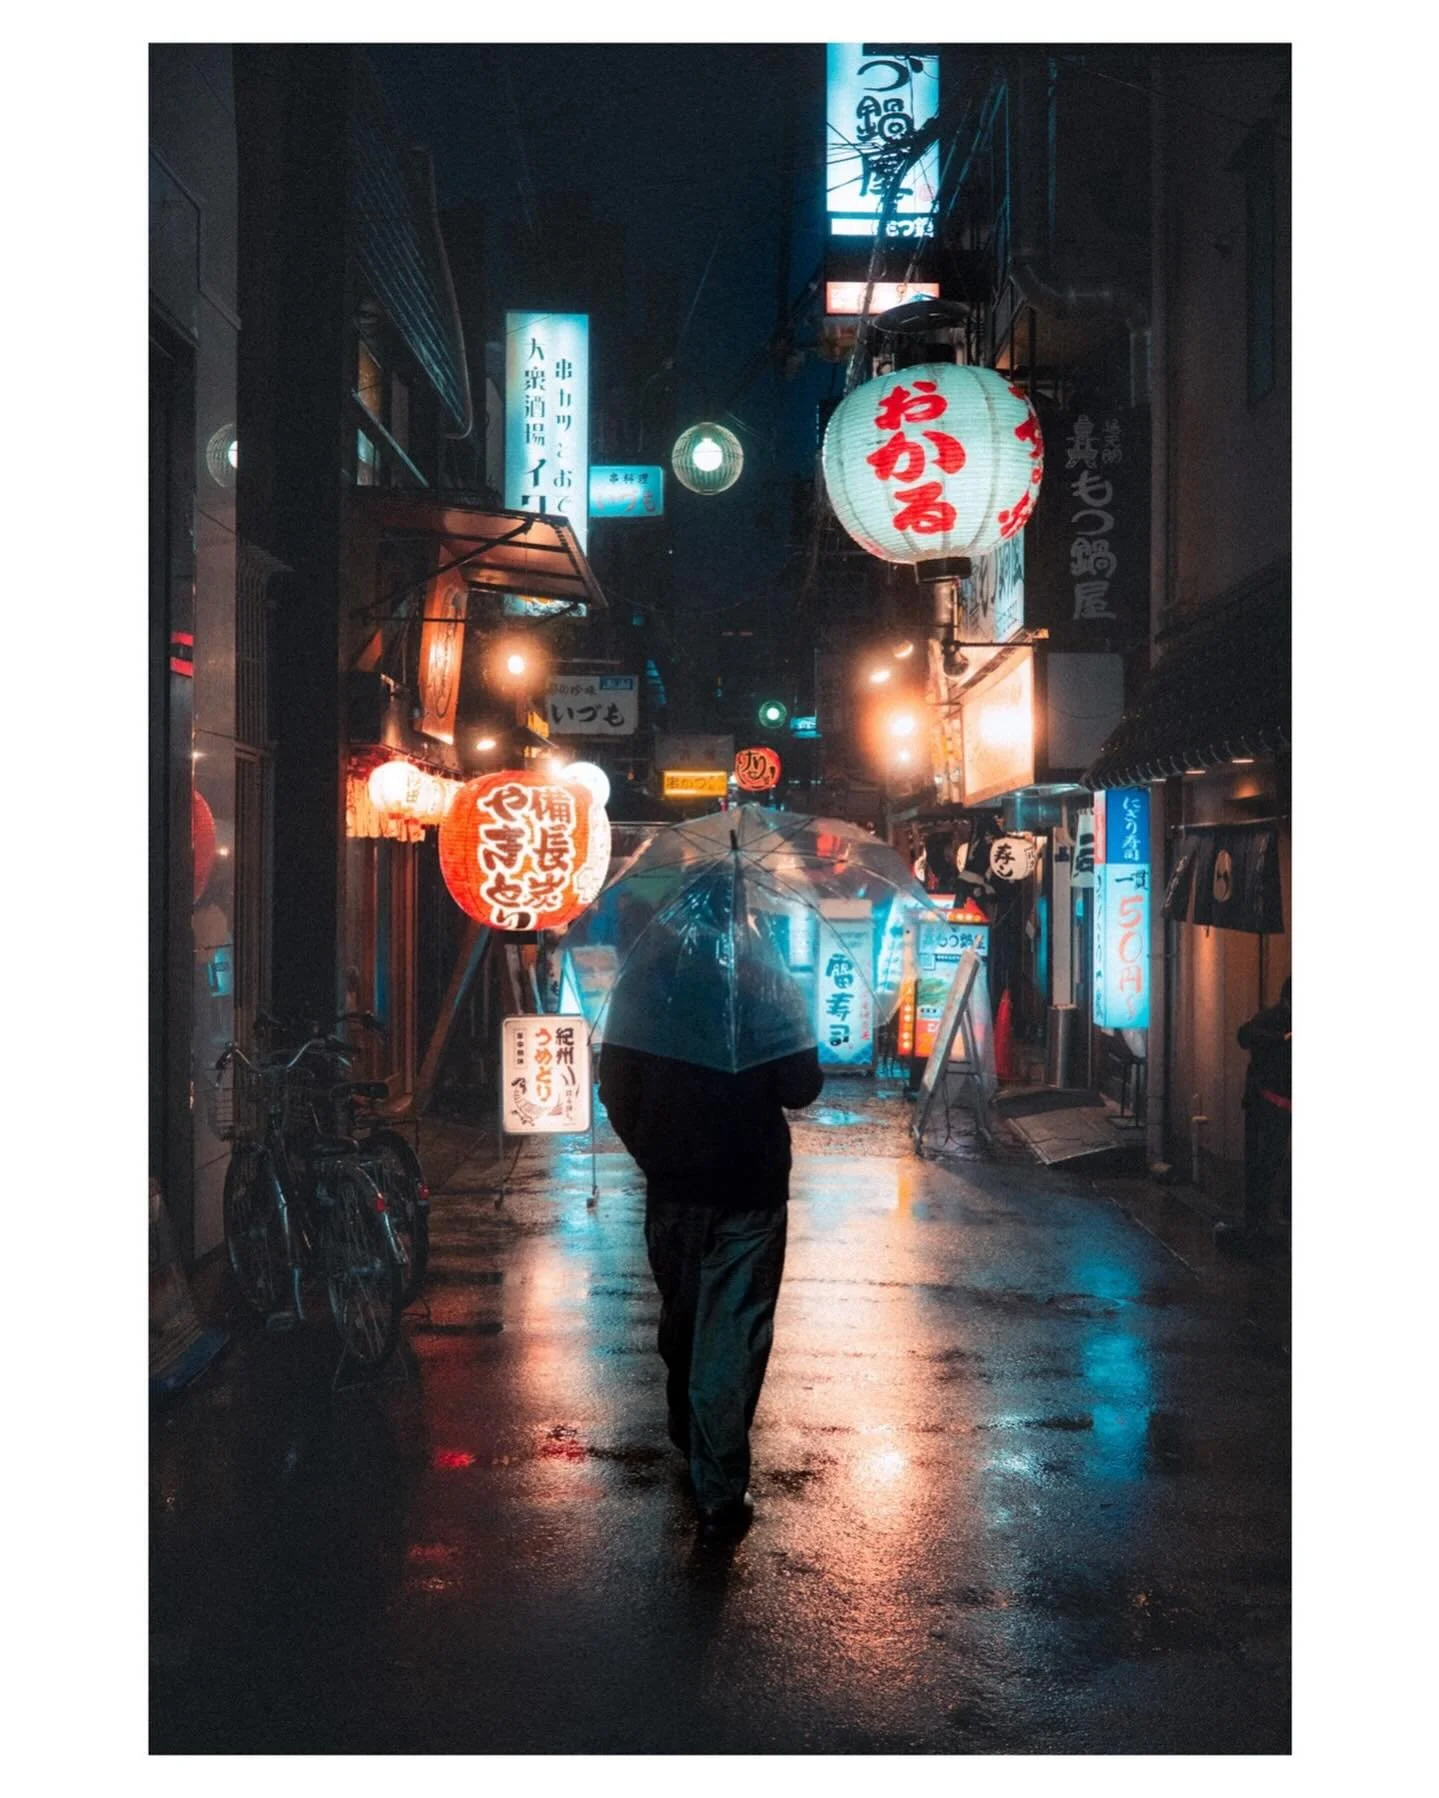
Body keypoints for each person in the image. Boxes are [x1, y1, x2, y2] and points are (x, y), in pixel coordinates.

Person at [598, 1036, 823, 1545]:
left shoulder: (649, 983)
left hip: (675, 1188)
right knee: (733, 1331)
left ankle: (696, 1439)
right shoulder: (763, 982)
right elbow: (801, 1086)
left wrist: (652, 1150)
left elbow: (614, 1083)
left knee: (684, 1315)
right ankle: (718, 1487)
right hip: (750, 1184)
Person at [1217, 975, 1291, 1256]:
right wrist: (1282, 1038)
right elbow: (1244, 1035)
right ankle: (1257, 1224)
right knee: (1263, 1164)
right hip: (1267, 1104)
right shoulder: (1271, 1019)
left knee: (1270, 1163)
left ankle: (1268, 1219)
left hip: (1277, 1101)